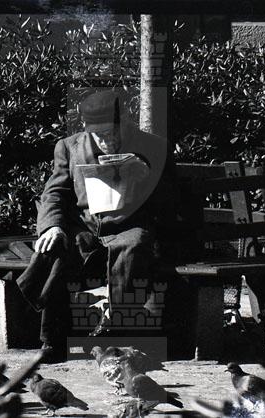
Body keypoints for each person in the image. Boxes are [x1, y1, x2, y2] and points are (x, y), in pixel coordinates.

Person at [16, 91, 174, 363]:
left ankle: (117, 331)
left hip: (130, 226)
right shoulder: (69, 147)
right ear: (85, 127)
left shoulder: (153, 146)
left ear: (125, 121)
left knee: (134, 245)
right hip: (86, 227)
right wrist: (52, 226)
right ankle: (52, 339)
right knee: (58, 247)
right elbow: (54, 193)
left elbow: (173, 201)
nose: (105, 141)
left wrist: (148, 178)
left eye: (111, 133)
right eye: (98, 135)